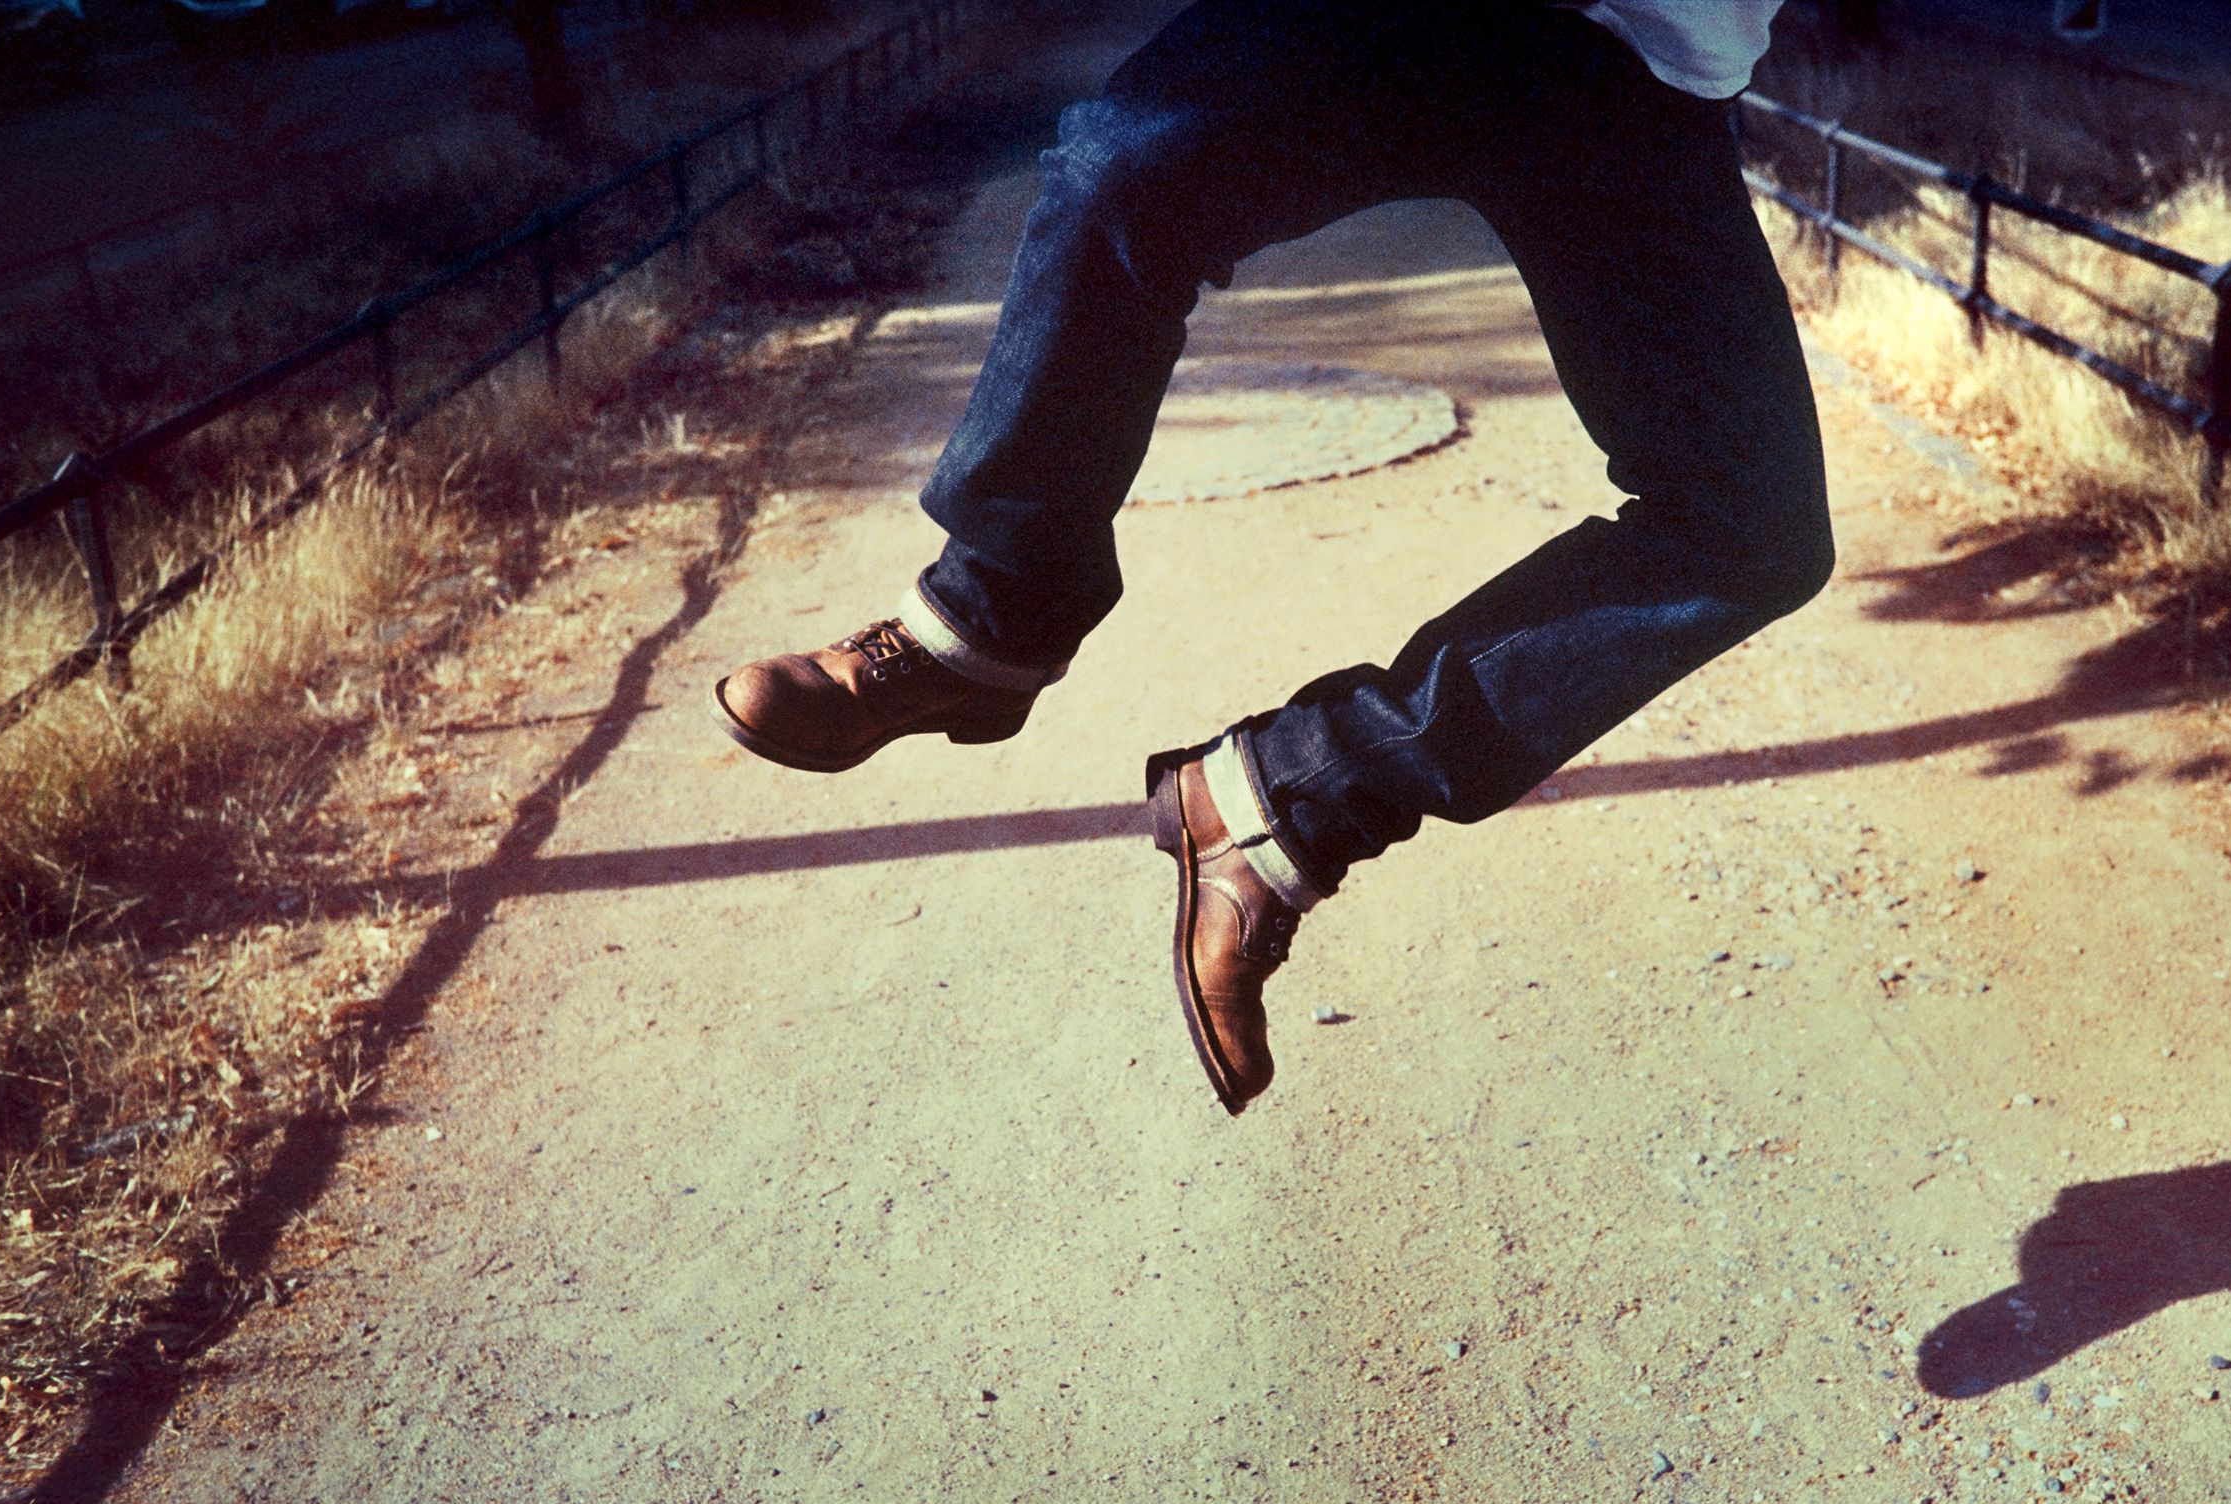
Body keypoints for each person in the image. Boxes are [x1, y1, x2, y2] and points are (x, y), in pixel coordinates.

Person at [715, 0, 1831, 1114]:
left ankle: (1291, 794)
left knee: (1755, 521)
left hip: (1640, 62)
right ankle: (990, 612)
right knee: (1123, 171)